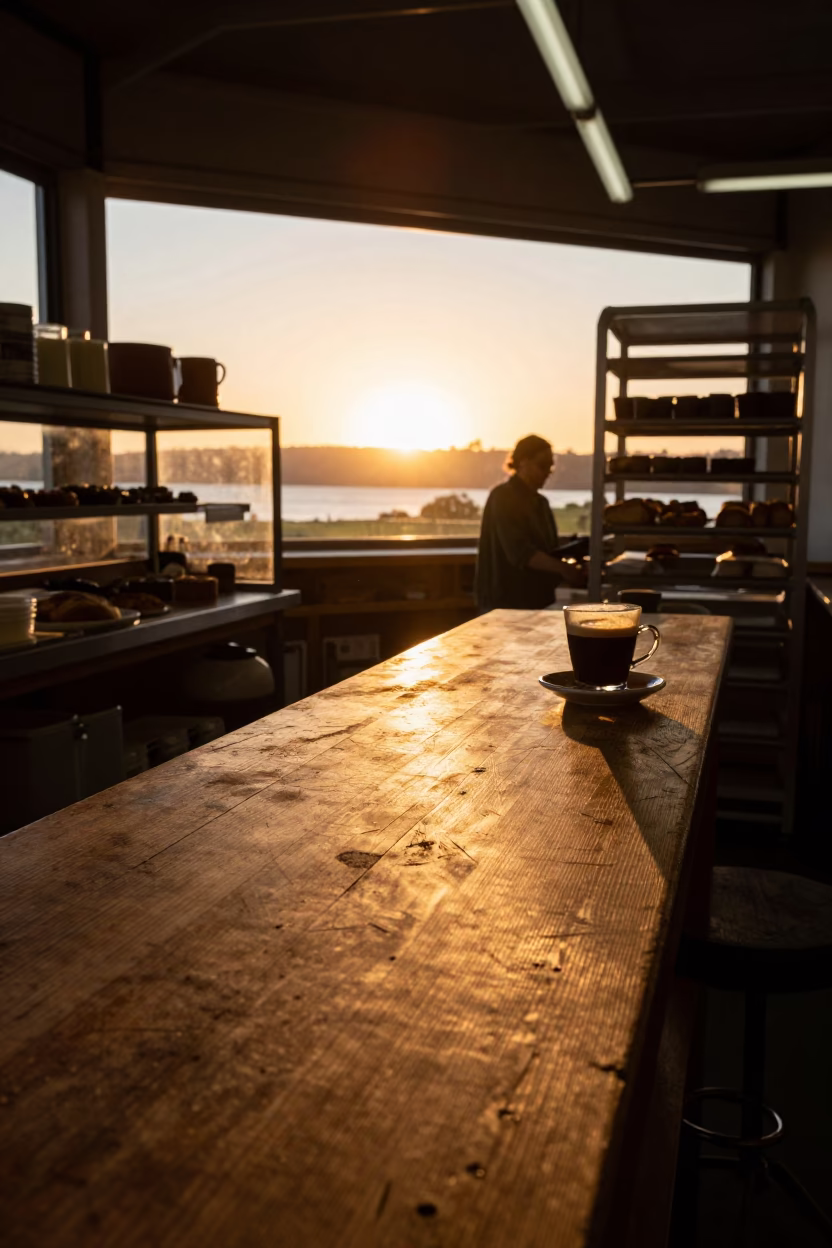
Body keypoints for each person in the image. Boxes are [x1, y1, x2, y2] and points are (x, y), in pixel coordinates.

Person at [475, 434, 586, 611]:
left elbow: (547, 550)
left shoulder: (541, 503)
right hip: (505, 604)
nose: (548, 472)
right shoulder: (503, 497)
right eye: (543, 465)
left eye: (551, 467)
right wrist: (564, 570)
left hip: (536, 601)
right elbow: (520, 552)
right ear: (523, 462)